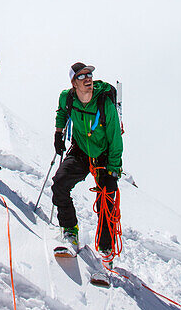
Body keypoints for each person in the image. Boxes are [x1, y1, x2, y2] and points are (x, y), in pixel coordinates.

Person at [51, 61, 123, 258]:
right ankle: (70, 231)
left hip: (104, 155)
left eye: (89, 75)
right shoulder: (67, 98)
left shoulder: (104, 103)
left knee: (106, 201)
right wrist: (58, 133)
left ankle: (106, 250)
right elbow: (61, 112)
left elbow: (115, 138)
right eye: (81, 76)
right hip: (81, 150)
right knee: (59, 184)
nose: (88, 79)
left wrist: (113, 169)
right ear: (74, 82)